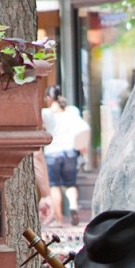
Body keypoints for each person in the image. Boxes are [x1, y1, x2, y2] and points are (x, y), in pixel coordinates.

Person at [42, 86, 90, 227]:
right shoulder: (72, 111)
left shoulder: (45, 113)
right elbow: (84, 128)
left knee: (54, 186)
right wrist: (81, 146)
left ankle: (59, 220)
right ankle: (73, 205)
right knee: (70, 184)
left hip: (52, 153)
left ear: (49, 98)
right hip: (69, 152)